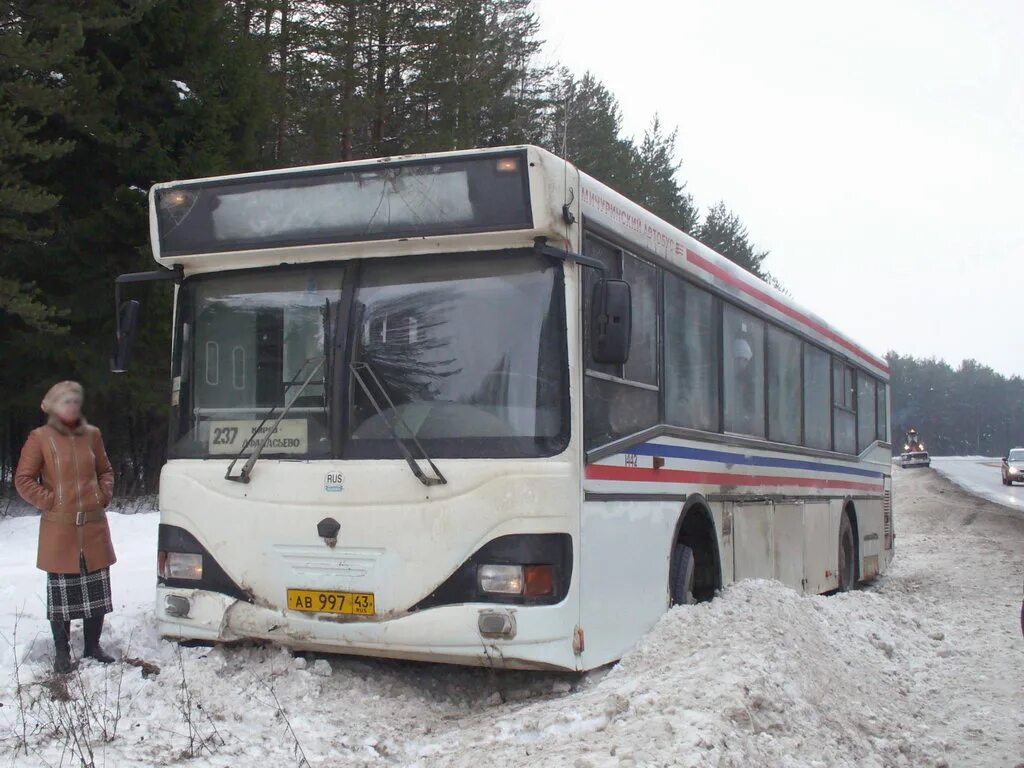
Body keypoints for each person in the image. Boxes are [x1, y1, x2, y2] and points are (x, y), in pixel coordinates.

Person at [14, 381, 117, 674]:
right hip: (60, 531)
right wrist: (51, 500)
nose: (71, 407)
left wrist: (103, 494)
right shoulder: (40, 438)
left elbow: (105, 470)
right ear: (52, 407)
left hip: (94, 528)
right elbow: (23, 479)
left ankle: (93, 646)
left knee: (96, 591)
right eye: (64, 402)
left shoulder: (93, 435)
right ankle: (62, 653)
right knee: (62, 597)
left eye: (74, 401)